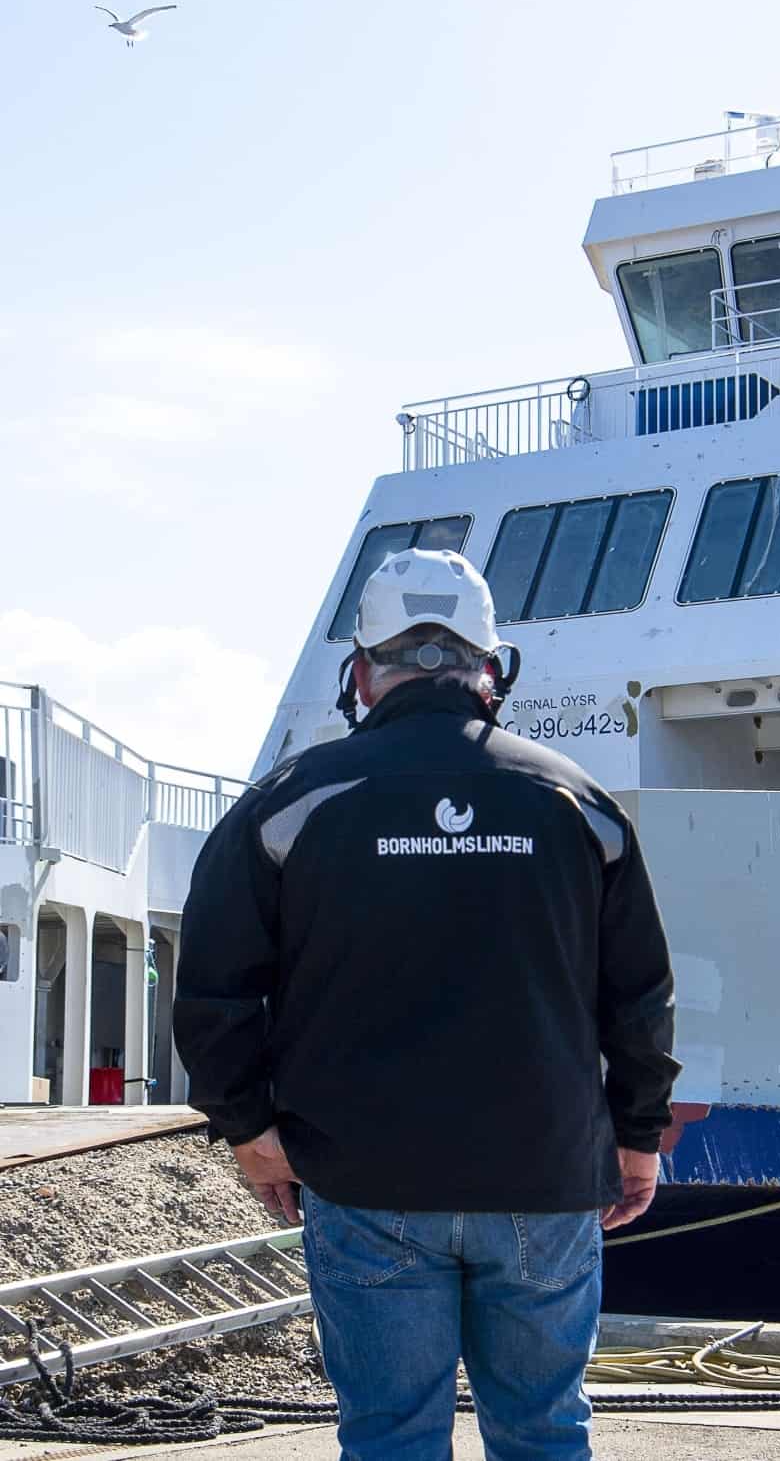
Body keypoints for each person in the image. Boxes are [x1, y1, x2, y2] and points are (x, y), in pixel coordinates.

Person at [175, 547, 678, 1461]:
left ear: (362, 673)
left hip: (365, 1180)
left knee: (391, 1440)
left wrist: (251, 1129)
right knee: (545, 1435)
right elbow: (639, 996)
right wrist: (637, 1133)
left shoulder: (289, 805)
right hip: (544, 1177)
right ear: (490, 669)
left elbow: (213, 990)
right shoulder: (578, 805)